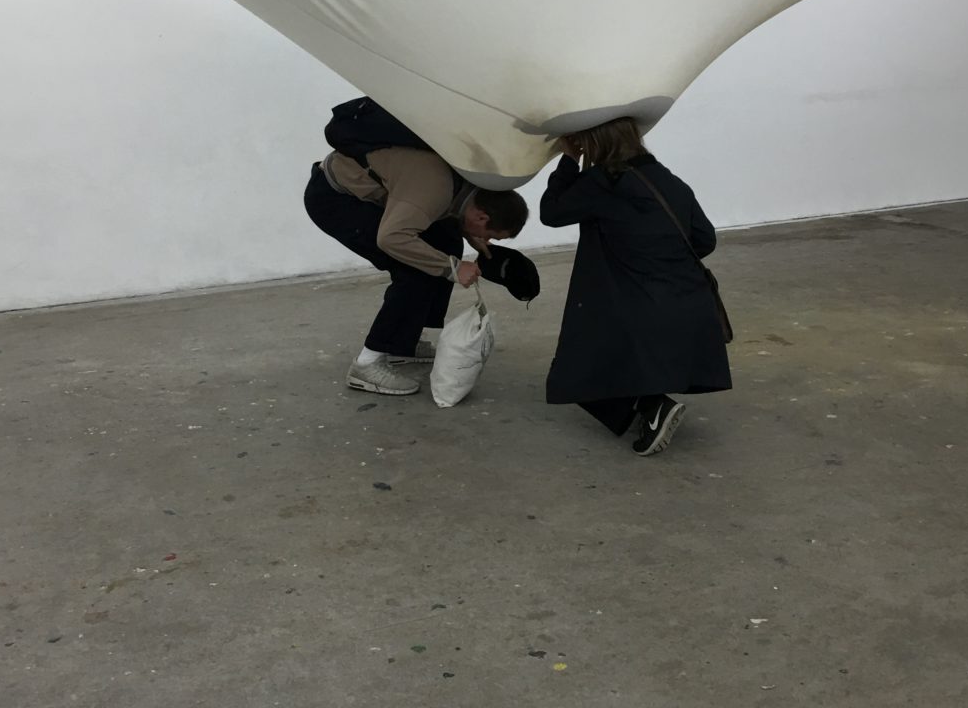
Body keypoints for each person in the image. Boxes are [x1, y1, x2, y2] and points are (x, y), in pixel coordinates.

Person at [539, 116, 730, 455]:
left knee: (575, 365)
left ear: (593, 142)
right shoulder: (669, 181)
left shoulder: (604, 182)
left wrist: (569, 159)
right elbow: (705, 238)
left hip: (639, 307)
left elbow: (551, 212)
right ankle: (650, 405)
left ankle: (651, 406)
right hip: (691, 302)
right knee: (606, 353)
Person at [305, 133, 529, 397]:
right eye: (490, 235)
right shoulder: (434, 190)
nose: (487, 240)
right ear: (481, 216)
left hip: (373, 189)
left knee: (447, 242)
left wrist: (466, 239)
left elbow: (437, 210)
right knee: (416, 270)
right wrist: (453, 268)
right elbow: (391, 238)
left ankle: (403, 343)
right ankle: (367, 364)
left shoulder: (469, 184)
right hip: (335, 198)